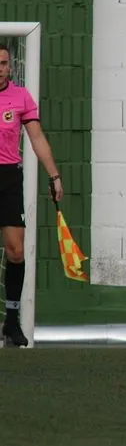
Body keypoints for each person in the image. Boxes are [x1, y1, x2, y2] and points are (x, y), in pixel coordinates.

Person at [0, 43, 63, 347]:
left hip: (9, 178)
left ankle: (11, 321)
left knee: (15, 251)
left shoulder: (21, 97)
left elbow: (36, 138)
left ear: (10, 67)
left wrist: (54, 176)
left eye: (3, 63)